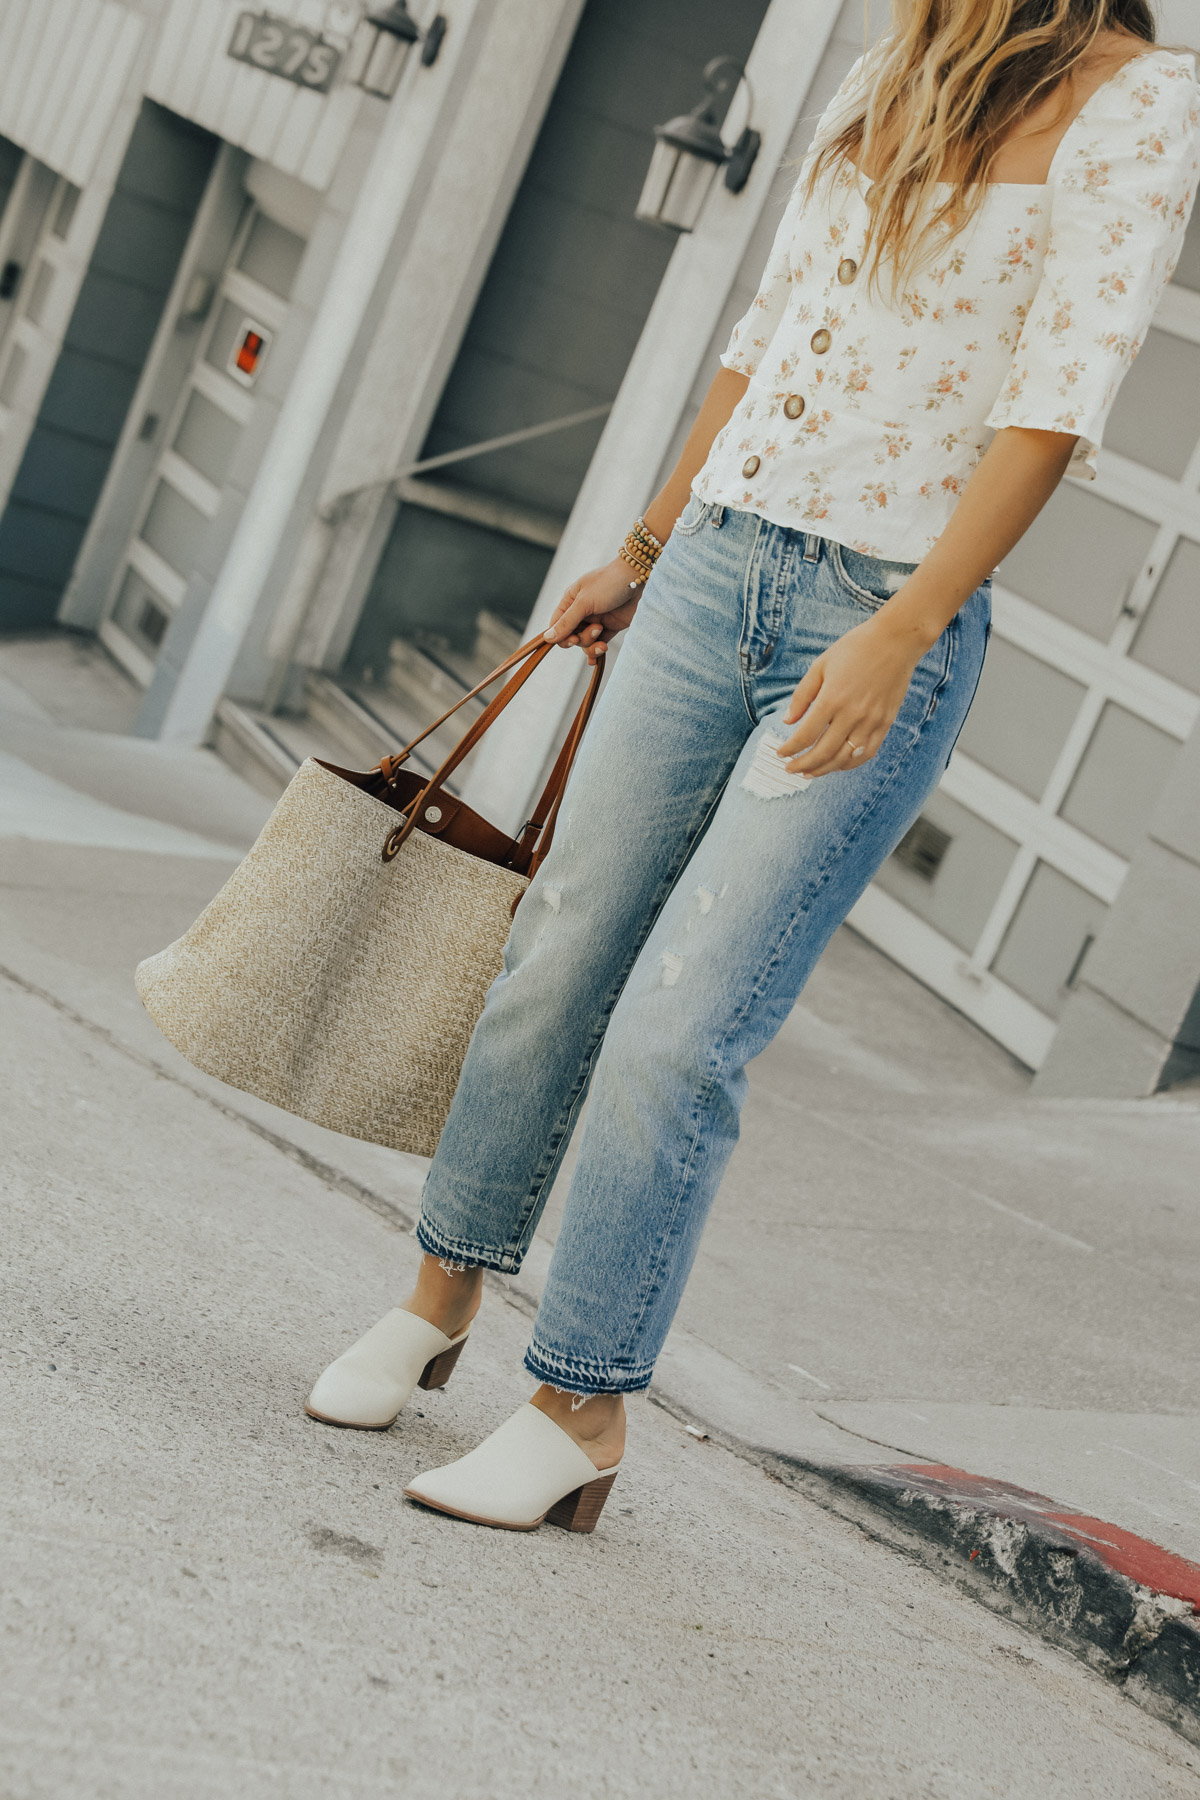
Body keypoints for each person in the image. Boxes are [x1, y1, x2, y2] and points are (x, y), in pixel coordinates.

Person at [306, 0, 1200, 1532]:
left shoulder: (1142, 103)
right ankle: (437, 1297)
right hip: (718, 562)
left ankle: (580, 1405)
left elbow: (1055, 405)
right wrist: (647, 545)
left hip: (873, 612)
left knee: (678, 1027)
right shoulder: (891, 65)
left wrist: (906, 629)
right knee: (556, 951)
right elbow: (767, 332)